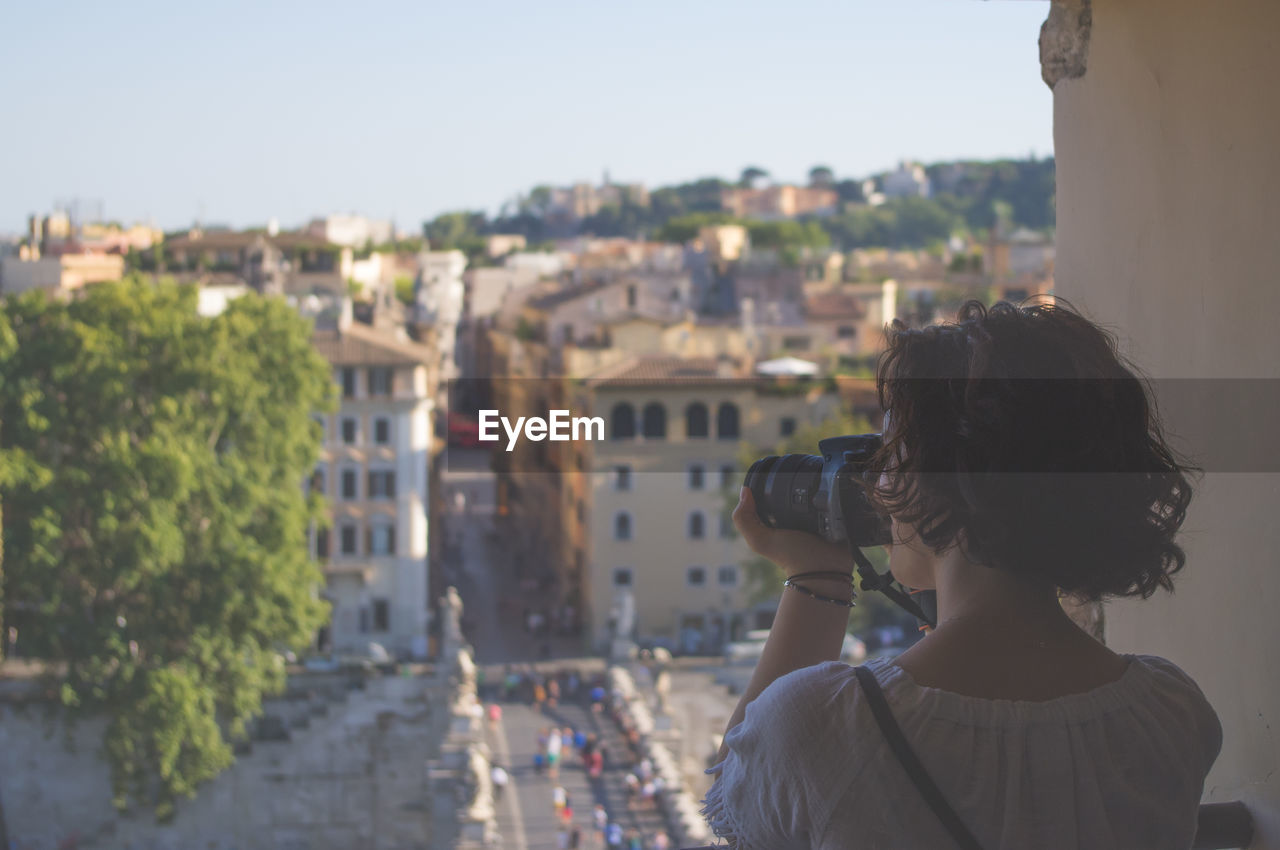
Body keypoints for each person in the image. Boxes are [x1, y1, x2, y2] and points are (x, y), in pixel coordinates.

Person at [700, 301, 1223, 849]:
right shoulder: (1170, 714)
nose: (877, 486)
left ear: (943, 488)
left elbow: (737, 809)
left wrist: (818, 580)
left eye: (893, 455)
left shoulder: (824, 729)